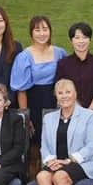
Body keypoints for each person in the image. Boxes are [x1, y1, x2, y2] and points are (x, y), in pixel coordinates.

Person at [10, 15, 67, 154]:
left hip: (56, 102)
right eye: (37, 30)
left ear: (50, 31)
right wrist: (26, 115)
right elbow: (21, 90)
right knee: (35, 144)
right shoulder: (24, 57)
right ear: (31, 33)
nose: (42, 33)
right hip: (34, 103)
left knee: (57, 139)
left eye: (45, 29)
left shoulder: (60, 53)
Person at [54, 22, 93, 111]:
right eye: (77, 38)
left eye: (85, 37)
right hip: (69, 111)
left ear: (90, 39)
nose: (81, 41)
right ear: (71, 40)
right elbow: (59, 89)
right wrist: (75, 112)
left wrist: (88, 112)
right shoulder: (63, 64)